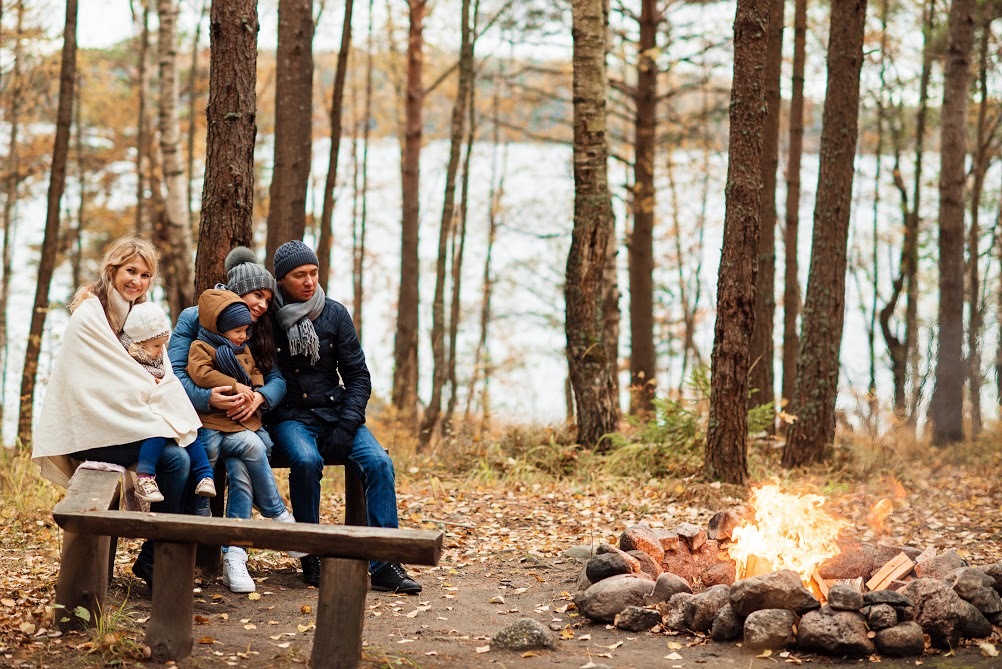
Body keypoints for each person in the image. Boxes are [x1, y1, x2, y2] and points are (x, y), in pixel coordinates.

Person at [31, 237, 202, 592]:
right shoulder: (90, 315)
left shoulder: (142, 317)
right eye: (130, 271)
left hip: (134, 426)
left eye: (144, 274)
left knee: (184, 458)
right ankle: (156, 561)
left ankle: (154, 559)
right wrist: (149, 405)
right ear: (112, 270)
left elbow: (162, 376)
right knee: (176, 461)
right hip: (96, 431)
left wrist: (157, 405)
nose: (136, 281)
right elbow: (102, 380)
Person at [266, 240, 422, 594]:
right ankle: (312, 553)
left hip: (336, 412)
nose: (309, 281)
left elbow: (358, 376)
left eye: (313, 273)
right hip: (291, 416)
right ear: (281, 281)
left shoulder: (334, 313)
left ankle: (385, 562)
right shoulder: (267, 318)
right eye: (299, 275)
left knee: (379, 462)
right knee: (306, 461)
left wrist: (347, 424)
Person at [168, 247, 292, 592]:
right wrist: (209, 397)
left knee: (241, 467)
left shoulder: (260, 327)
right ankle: (189, 556)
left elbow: (277, 377)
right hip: (202, 421)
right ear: (237, 290)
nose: (263, 306)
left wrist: (260, 399)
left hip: (245, 420)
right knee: (222, 463)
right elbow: (176, 374)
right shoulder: (193, 319)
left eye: (269, 298)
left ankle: (235, 557)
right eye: (257, 296)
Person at [121, 301, 216, 502]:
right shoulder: (128, 356)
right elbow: (131, 379)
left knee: (189, 428)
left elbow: (168, 377)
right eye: (156, 345)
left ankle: (205, 476)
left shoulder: (157, 355)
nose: (161, 350)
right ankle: (146, 477)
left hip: (166, 405)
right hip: (147, 414)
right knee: (159, 430)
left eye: (164, 344)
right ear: (139, 341)